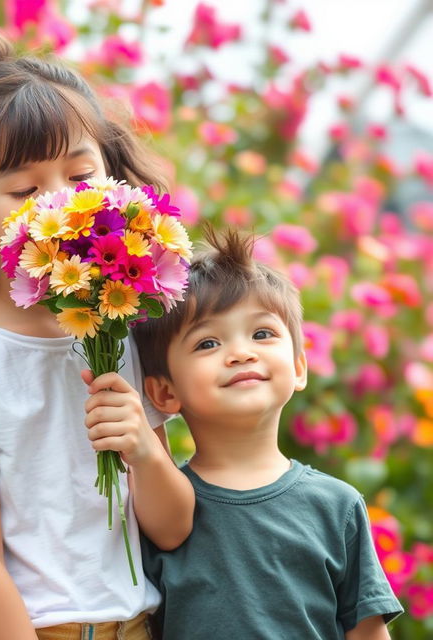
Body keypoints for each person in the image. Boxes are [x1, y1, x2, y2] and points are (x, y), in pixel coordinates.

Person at [0, 32, 194, 640]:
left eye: (81, 174)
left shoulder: (127, 325)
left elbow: (173, 528)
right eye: (25, 191)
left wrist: (146, 451)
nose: (63, 204)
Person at [133, 228, 403, 640]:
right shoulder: (161, 513)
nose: (242, 352)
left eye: (262, 334)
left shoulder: (337, 507)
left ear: (298, 367)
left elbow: (367, 633)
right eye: (208, 343)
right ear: (165, 392)